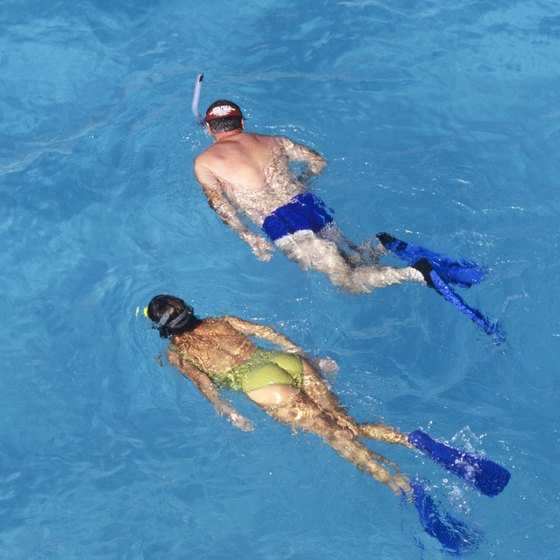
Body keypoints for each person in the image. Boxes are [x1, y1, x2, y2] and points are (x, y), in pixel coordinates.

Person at [144, 294, 509, 553]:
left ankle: (405, 485)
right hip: (285, 363)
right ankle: (413, 441)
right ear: (188, 308)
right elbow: (268, 332)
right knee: (350, 424)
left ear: (163, 329)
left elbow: (207, 388)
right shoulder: (221, 320)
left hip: (264, 388)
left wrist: (229, 412)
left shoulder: (177, 353)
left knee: (340, 442)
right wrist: (306, 357)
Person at [193, 100, 426, 294]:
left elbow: (219, 204)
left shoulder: (204, 162)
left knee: (345, 281)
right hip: (307, 204)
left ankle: (412, 273)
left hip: (280, 222)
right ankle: (378, 248)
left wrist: (248, 237)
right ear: (242, 123)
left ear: (210, 129)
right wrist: (302, 181)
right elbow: (318, 162)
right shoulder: (275, 140)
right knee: (348, 255)